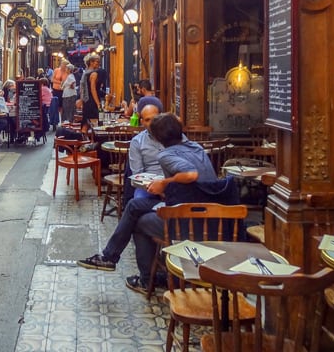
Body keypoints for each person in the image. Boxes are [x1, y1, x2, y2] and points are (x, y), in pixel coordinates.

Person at [77, 113, 218, 295]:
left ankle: (145, 279)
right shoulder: (196, 148)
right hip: (214, 216)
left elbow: (191, 175)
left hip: (190, 221)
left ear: (159, 139)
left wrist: (164, 183)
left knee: (140, 222)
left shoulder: (166, 155)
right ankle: (111, 257)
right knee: (135, 206)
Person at [78, 53, 103, 125]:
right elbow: (93, 89)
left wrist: (81, 99)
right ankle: (92, 136)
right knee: (94, 122)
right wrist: (98, 104)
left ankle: (84, 136)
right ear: (91, 62)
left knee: (86, 122)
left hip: (86, 101)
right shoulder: (94, 74)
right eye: (97, 61)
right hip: (92, 101)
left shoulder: (85, 73)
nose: (99, 63)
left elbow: (81, 89)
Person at [50, 58, 70, 123]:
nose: (63, 66)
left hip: (63, 90)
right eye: (62, 64)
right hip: (55, 90)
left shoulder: (67, 72)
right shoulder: (56, 70)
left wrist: (62, 83)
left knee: (62, 106)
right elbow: (52, 79)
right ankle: (55, 120)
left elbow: (67, 81)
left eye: (64, 65)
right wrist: (60, 82)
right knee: (56, 105)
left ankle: (62, 120)